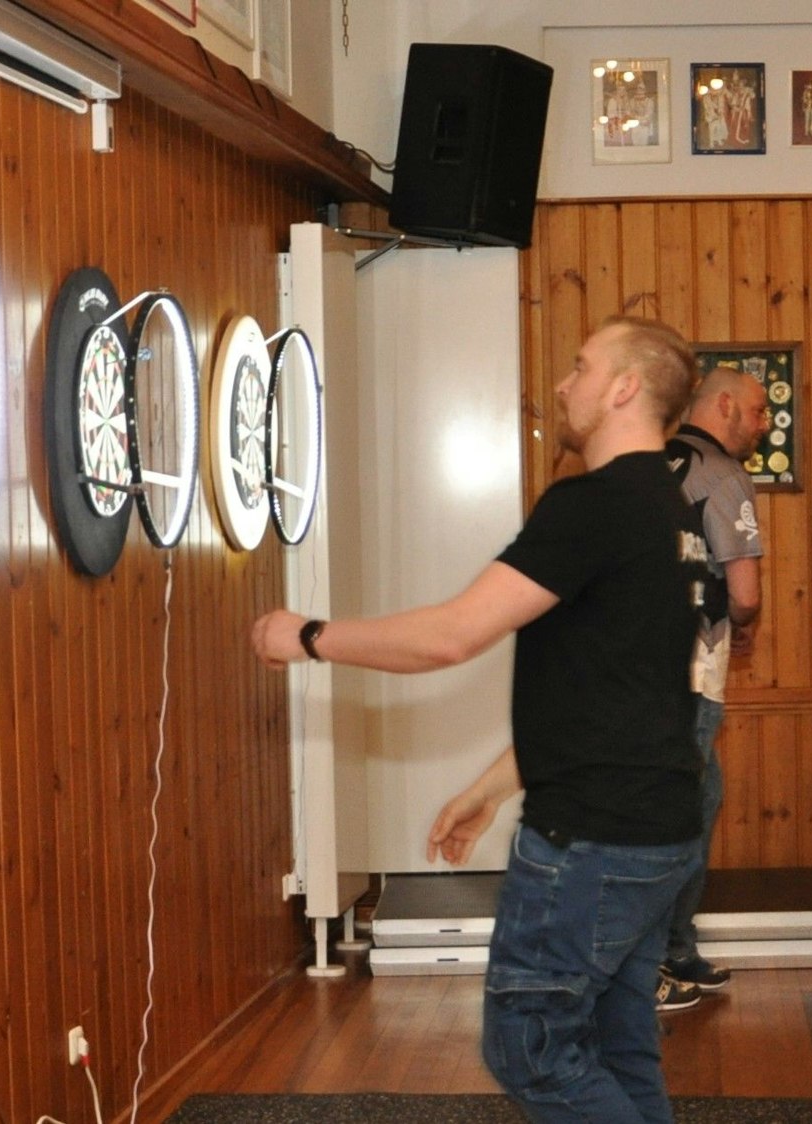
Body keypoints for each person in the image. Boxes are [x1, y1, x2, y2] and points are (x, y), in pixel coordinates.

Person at [251, 316, 709, 1123]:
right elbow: (614, 692)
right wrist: (493, 787)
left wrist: (309, 637)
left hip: (594, 841)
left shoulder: (595, 504)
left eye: (580, 365)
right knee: (615, 1044)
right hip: (657, 830)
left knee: (529, 1049)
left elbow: (451, 636)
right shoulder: (667, 508)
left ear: (624, 388)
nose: (564, 384)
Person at [657, 367, 770, 1007]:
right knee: (673, 818)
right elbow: (746, 594)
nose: (763, 424)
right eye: (756, 411)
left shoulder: (648, 462)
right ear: (722, 405)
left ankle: (675, 949)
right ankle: (651, 963)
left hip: (640, 673)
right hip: (692, 675)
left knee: (701, 799)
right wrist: (742, 620)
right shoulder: (724, 475)